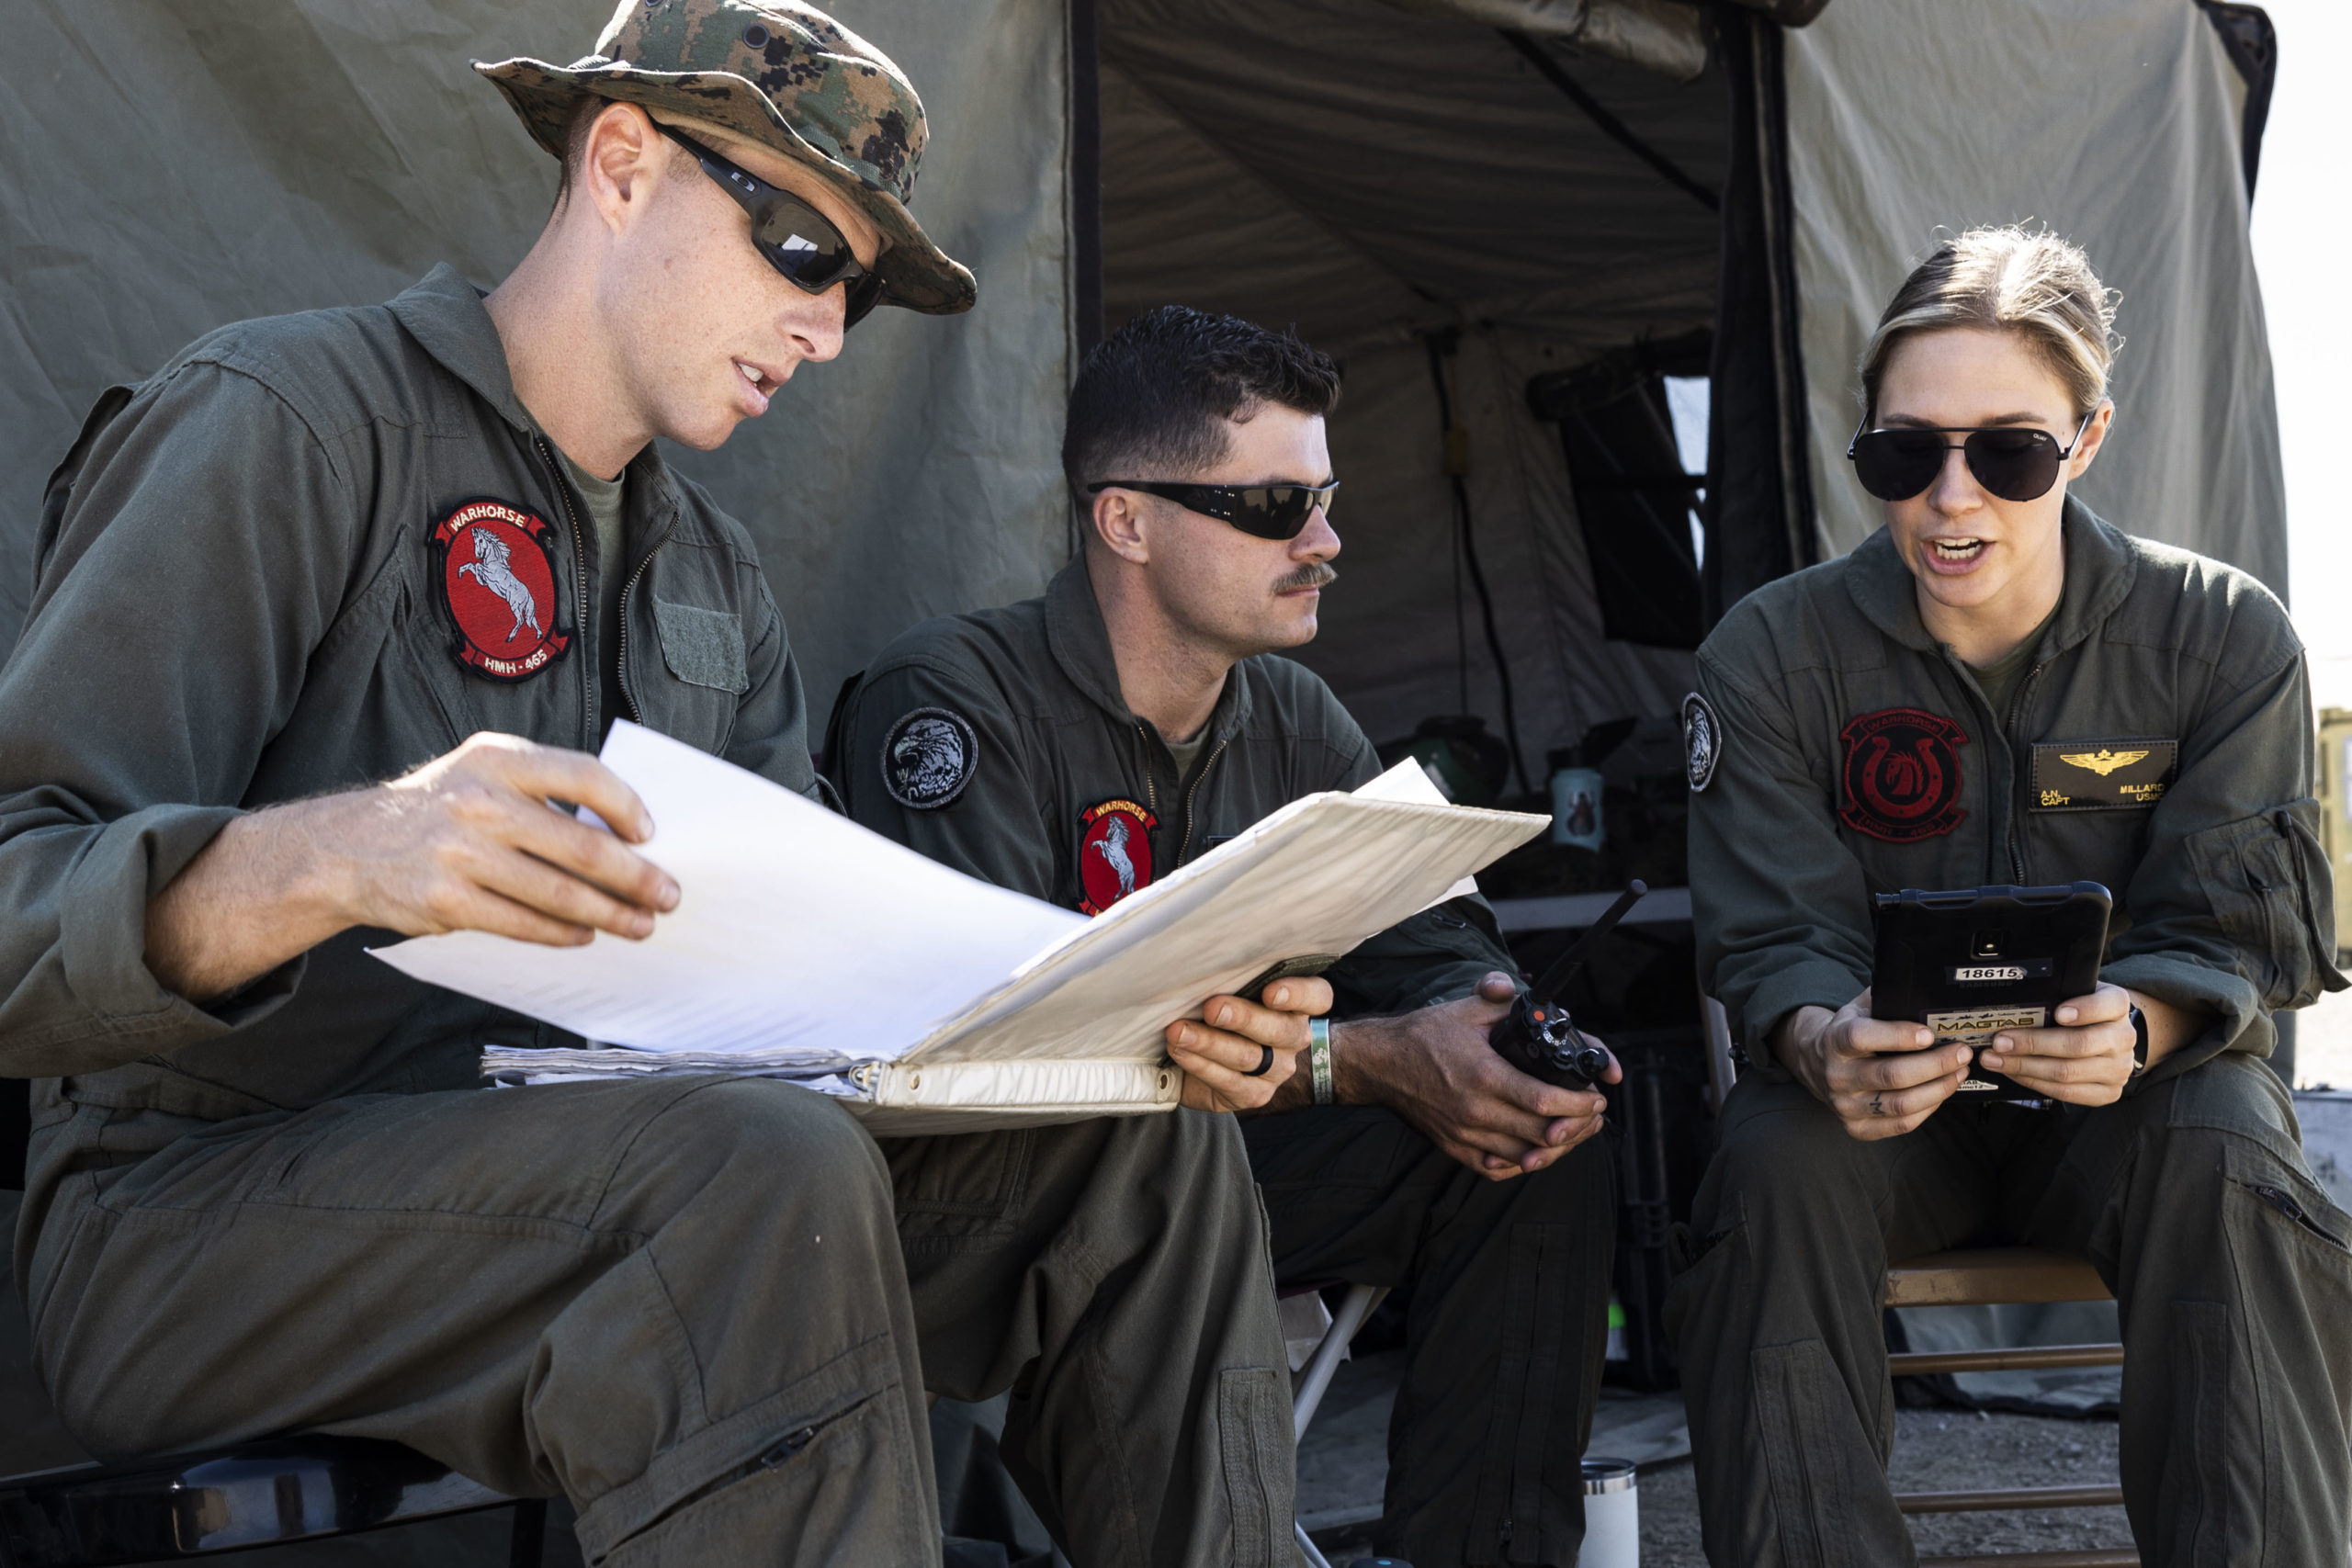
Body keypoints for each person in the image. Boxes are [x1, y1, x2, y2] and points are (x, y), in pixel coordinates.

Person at [0, 6, 1311, 1562]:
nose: (825, 332)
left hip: (601, 1165)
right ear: (620, 163)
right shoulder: (292, 427)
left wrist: (1113, 1024)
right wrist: (341, 853)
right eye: (801, 253)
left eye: (855, 294)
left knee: (1143, 1150)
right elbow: (19, 900)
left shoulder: (710, 576)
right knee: (750, 1173)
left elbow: (799, 999)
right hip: (185, 1218)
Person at [832, 305, 1623, 1566]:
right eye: (1273, 508)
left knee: (1527, 1133)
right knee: (1178, 1153)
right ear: (1126, 521)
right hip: (976, 1199)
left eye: (1324, 500)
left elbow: (1431, 936)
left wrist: (1488, 1035)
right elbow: (998, 1041)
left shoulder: (1295, 716)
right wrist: (1351, 1060)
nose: (1325, 541)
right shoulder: (954, 699)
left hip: (1202, 1162)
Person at [1668, 226, 2352, 1564]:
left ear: (2087, 441)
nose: (1951, 499)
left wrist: (2142, 1024)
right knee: (1769, 1163)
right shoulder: (1770, 655)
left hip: (2129, 1114)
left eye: (2010, 453)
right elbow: (1771, 935)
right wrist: (1820, 1037)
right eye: (1904, 454)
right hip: (1877, 1123)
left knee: (2229, 1146)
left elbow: (2234, 928)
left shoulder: (2220, 637)